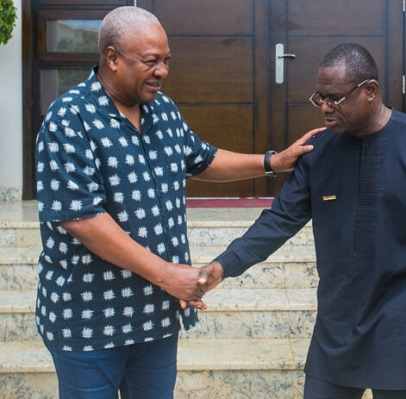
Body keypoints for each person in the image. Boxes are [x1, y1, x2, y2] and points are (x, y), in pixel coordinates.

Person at [34, 6, 321, 399]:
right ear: (113, 58)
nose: (163, 71)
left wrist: (273, 161)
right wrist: (168, 275)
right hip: (91, 321)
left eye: (167, 60)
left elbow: (201, 159)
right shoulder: (69, 118)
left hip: (156, 316)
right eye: (151, 62)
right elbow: (83, 219)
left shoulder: (162, 109)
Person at [194, 43, 406, 399]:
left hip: (405, 326)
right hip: (338, 323)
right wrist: (222, 266)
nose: (325, 107)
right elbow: (278, 221)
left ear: (370, 91)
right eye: (319, 97)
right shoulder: (318, 152)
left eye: (335, 98)